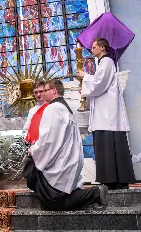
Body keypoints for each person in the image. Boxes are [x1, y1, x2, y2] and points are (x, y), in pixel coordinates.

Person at [25, 79, 108, 210]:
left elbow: (48, 139)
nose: (43, 94)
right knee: (54, 197)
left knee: (51, 201)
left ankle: (95, 193)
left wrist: (34, 150)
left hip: (61, 163)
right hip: (68, 161)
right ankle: (93, 194)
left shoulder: (53, 108)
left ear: (54, 90)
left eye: (45, 90)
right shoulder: (65, 108)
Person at [78, 38, 135, 189]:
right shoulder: (102, 63)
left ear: (102, 47)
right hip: (102, 112)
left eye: (94, 47)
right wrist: (86, 89)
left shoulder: (107, 62)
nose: (92, 49)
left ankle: (115, 179)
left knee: (110, 144)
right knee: (104, 145)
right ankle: (109, 178)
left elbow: (99, 83)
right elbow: (98, 84)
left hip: (108, 114)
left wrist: (85, 77)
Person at [23, 80, 48, 144]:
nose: (38, 94)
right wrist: (27, 138)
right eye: (36, 92)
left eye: (41, 91)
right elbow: (26, 129)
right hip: (35, 146)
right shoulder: (32, 111)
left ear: (46, 91)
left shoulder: (51, 107)